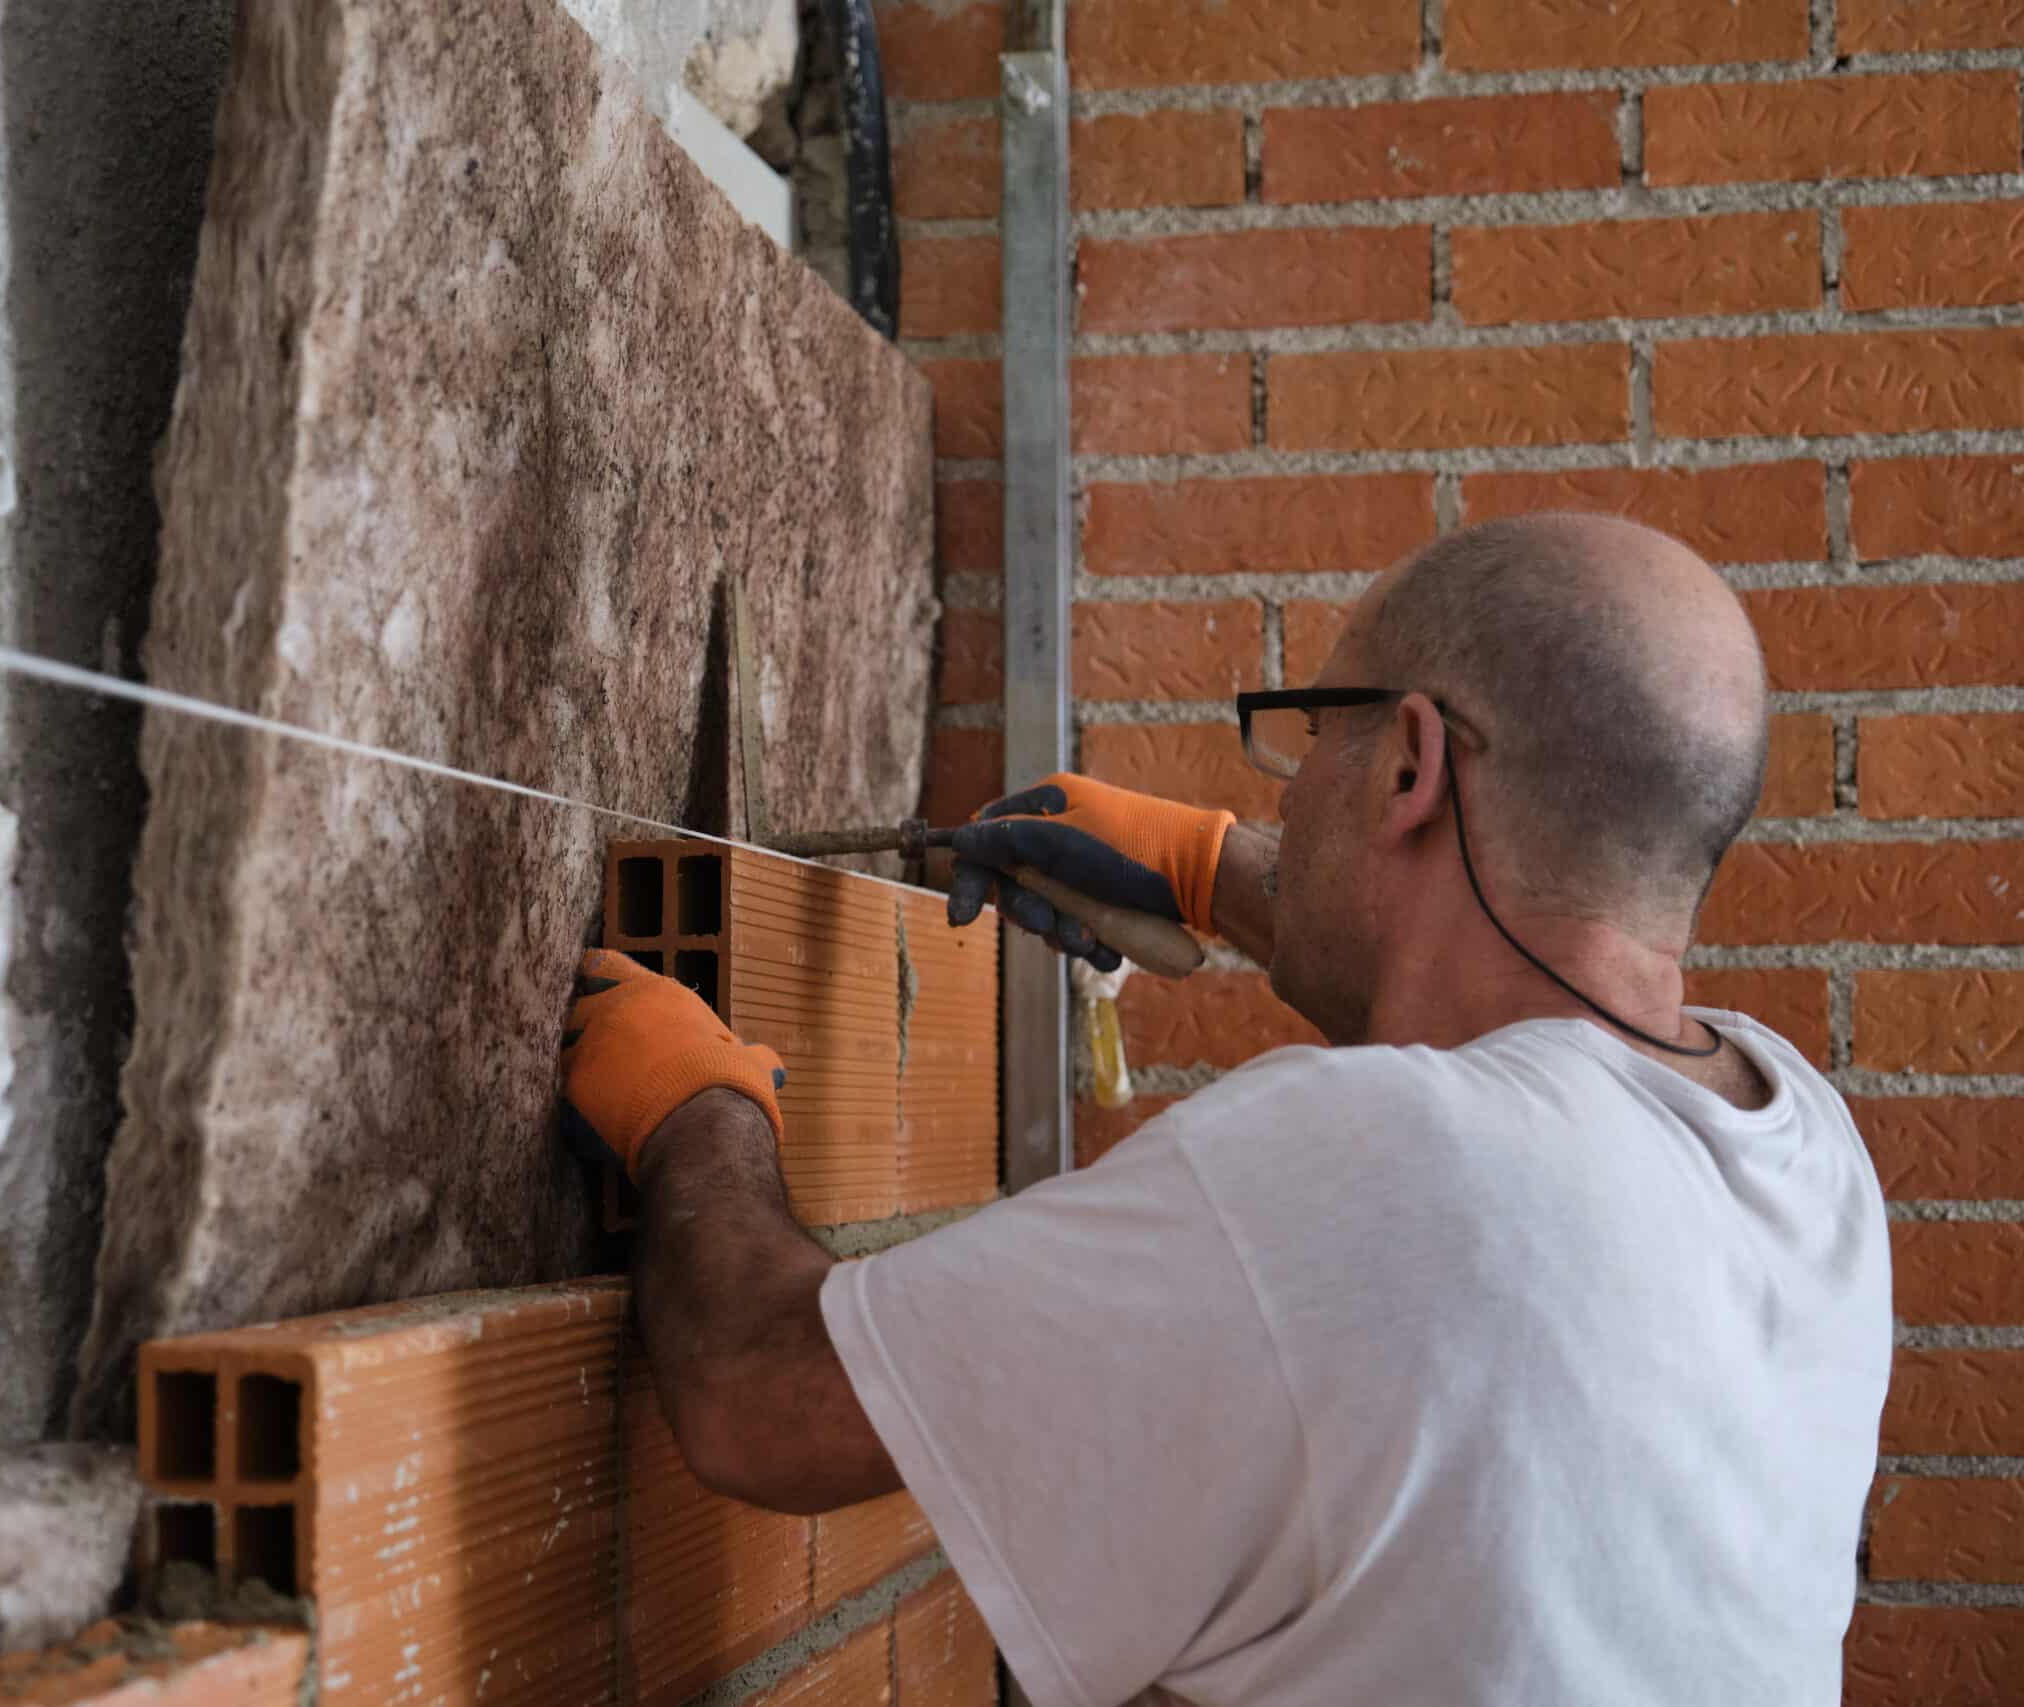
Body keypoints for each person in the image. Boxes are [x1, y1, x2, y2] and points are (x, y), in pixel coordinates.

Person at [558, 514, 1889, 1706]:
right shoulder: (1802, 1148)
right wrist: (1216, 872)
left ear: (1412, 765)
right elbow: (1524, 1042)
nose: (1287, 789)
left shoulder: (1381, 1164)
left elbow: (754, 1402)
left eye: (1311, 741)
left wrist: (700, 1108)